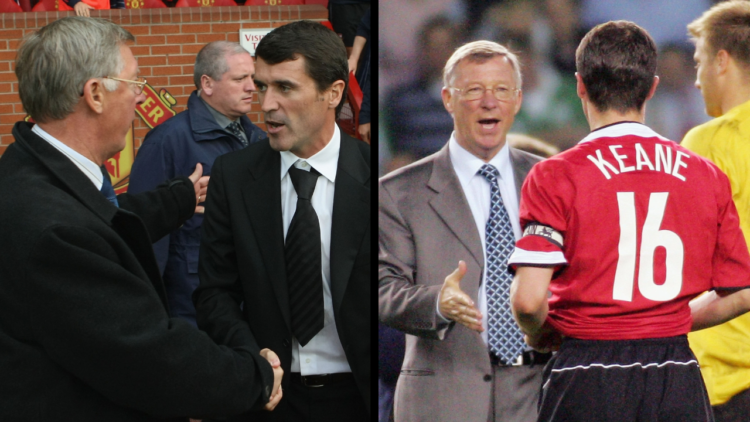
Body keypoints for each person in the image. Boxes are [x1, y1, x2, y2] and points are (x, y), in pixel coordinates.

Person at [0, 17, 283, 421]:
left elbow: (105, 219)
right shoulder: (54, 232)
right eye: (134, 83)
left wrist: (177, 199)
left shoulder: (35, 172)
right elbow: (147, 357)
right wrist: (254, 376)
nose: (140, 97)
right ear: (95, 94)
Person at [508, 20, 750, 422]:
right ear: (651, 87)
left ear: (581, 86)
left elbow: (529, 300)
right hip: (677, 372)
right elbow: (741, 292)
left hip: (586, 369)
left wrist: (539, 333)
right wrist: (662, 321)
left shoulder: (556, 175)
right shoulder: (704, 173)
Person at [194, 20, 370, 421]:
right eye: (261, 86)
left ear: (333, 93)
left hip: (359, 397)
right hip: (270, 398)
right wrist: (253, 354)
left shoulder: (376, 179)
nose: (267, 104)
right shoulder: (233, 176)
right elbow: (214, 293)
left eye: (285, 87)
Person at [379, 40, 544, 422]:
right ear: (448, 99)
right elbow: (382, 289)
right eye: (474, 90)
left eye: (501, 90)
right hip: (441, 397)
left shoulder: (548, 180)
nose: (490, 102)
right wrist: (437, 302)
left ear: (517, 100)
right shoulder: (398, 191)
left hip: (533, 394)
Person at [128, 41, 265, 326]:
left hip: (250, 299)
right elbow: (143, 230)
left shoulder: (259, 140)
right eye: (240, 79)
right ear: (207, 84)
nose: (252, 87)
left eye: (253, 78)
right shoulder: (167, 142)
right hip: (190, 305)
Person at [683, 1, 750, 419]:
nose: (696, 80)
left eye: (698, 62)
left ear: (721, 60)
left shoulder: (709, 142)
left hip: (728, 376)